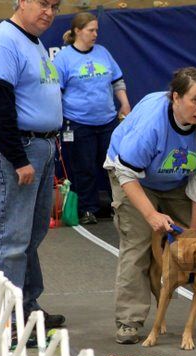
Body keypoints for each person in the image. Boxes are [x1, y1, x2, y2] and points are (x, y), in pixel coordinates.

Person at [104, 67, 196, 344]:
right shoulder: (152, 124)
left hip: (179, 181)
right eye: (195, 100)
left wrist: (193, 235)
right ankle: (129, 320)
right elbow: (126, 173)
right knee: (138, 245)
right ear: (175, 97)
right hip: (134, 179)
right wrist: (151, 214)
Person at [0, 0, 65, 327]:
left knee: (31, 234)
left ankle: (25, 307)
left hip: (40, 146)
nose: (50, 12)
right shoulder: (3, 42)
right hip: (18, 149)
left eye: (56, 6)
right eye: (43, 3)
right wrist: (17, 158)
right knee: (11, 238)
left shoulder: (33, 42)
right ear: (22, 1)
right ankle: (2, 320)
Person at [53, 12, 131, 225]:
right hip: (78, 122)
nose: (95, 34)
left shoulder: (103, 52)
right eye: (91, 30)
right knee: (84, 167)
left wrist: (124, 103)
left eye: (97, 30)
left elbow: (117, 80)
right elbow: (56, 93)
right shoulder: (63, 58)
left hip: (107, 121)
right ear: (78, 31)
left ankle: (119, 206)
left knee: (114, 166)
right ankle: (88, 209)